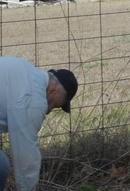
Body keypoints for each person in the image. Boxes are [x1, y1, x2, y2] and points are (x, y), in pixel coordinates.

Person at [0, 57, 78, 191]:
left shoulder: (25, 72)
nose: (48, 111)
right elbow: (26, 159)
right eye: (55, 105)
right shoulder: (33, 100)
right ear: (53, 90)